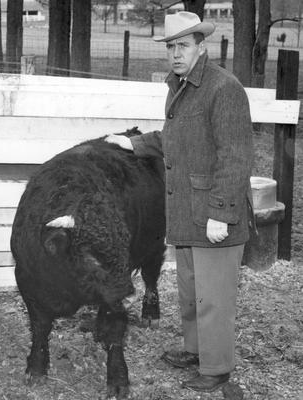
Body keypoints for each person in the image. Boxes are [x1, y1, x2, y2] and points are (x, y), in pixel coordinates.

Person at [106, 11, 254, 393]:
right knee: (191, 291)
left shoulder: (224, 88)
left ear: (200, 47)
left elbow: (236, 156)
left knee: (213, 296)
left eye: (183, 45)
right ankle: (195, 350)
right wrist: (134, 144)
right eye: (171, 46)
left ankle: (217, 366)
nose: (175, 53)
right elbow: (176, 139)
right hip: (187, 212)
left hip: (215, 214)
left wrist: (221, 213)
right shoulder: (181, 86)